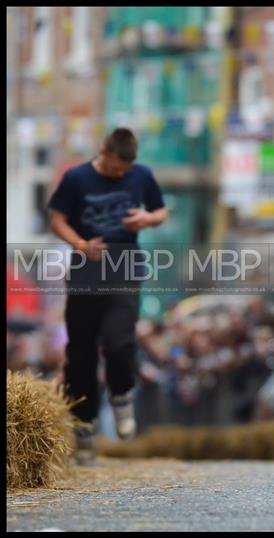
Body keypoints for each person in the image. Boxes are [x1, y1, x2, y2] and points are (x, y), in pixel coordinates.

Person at [48, 128, 168, 464]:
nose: (120, 175)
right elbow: (57, 220)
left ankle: (121, 394)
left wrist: (147, 218)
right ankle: (84, 426)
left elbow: (160, 211)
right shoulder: (75, 178)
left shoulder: (141, 175)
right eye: (115, 169)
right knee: (81, 353)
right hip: (86, 273)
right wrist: (81, 245)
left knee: (119, 341)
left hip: (124, 272)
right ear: (103, 151)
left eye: (124, 171)